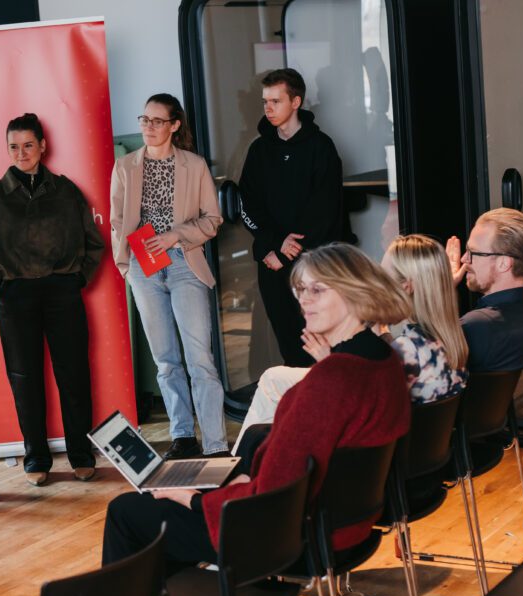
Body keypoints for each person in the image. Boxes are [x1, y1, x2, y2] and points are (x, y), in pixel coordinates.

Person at [102, 243, 410, 571]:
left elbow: (271, 498)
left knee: (127, 512)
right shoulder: (384, 359)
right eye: (301, 288)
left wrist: (194, 499)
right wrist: (242, 480)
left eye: (317, 290)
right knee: (236, 455)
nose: (304, 300)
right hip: (345, 525)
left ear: (356, 294)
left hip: (291, 538)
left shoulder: (330, 380)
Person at [0, 113, 104, 486]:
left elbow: (93, 243)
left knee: (73, 375)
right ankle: (36, 457)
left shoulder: (66, 191)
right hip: (16, 298)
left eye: (28, 145)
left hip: (62, 293)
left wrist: (76, 279)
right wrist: (0, 287)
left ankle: (81, 453)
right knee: (24, 379)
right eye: (14, 146)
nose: (21, 153)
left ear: (43, 146)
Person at [233, 234, 468, 450]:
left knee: (272, 382)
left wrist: (328, 361)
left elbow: (357, 398)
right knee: (274, 379)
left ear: (406, 286)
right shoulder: (448, 338)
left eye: (383, 275)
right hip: (430, 452)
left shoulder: (404, 351)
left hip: (394, 457)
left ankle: (242, 464)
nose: (376, 282)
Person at [110, 93, 227, 459]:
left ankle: (215, 444)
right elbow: (116, 222)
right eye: (144, 120)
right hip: (143, 269)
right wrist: (128, 268)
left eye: (157, 121)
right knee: (165, 359)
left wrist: (175, 235)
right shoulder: (125, 166)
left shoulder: (194, 165)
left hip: (183, 263)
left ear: (175, 125)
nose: (148, 127)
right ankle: (183, 436)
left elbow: (213, 220)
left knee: (200, 358)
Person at [238, 68, 343, 367]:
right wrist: (272, 245)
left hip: (313, 265)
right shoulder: (259, 150)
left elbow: (325, 212)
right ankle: (300, 396)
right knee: (289, 345)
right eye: (265, 101)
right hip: (271, 262)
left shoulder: (321, 147)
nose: (268, 108)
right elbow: (248, 205)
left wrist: (285, 252)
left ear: (295, 102)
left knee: (320, 343)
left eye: (276, 101)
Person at [446, 208, 523, 372]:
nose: (463, 259)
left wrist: (441, 289)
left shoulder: (476, 325)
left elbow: (421, 355)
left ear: (503, 263)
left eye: (473, 252)